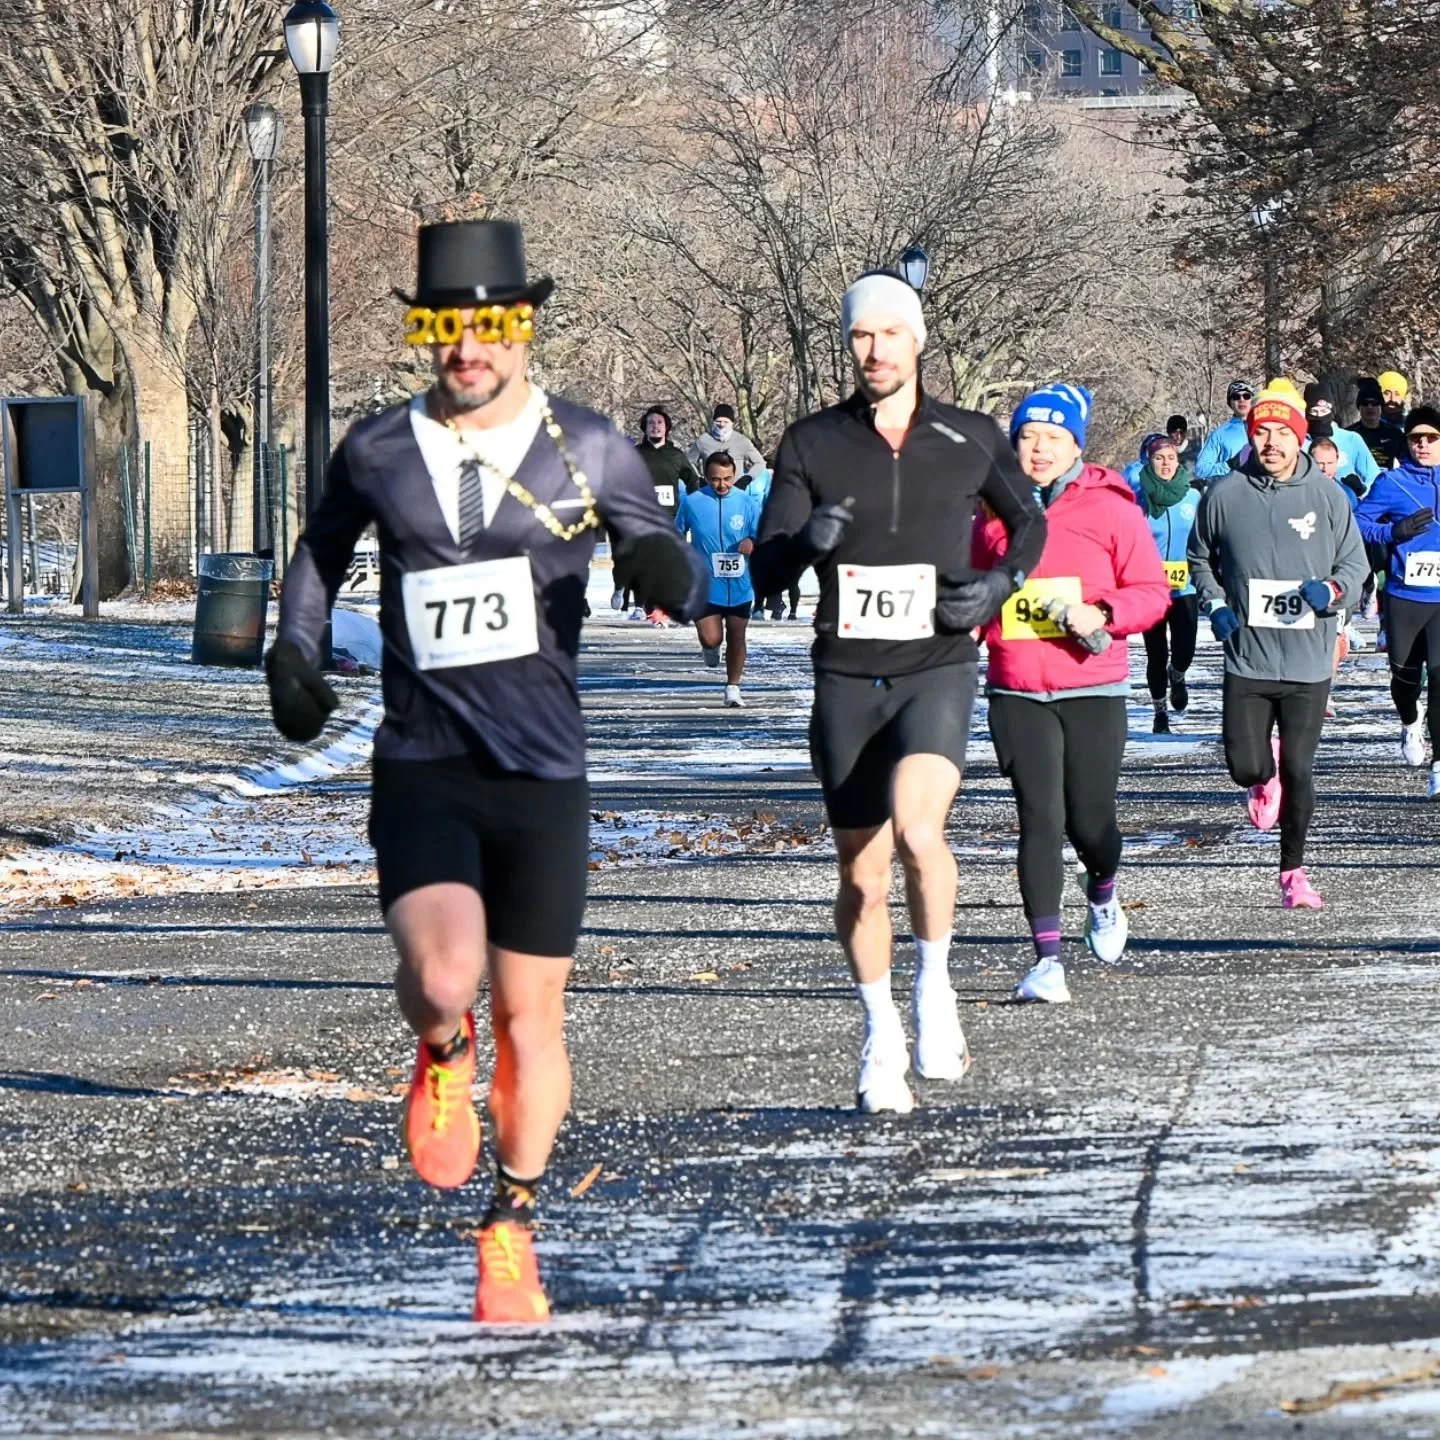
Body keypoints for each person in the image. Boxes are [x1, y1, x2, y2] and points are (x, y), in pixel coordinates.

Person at [265, 220, 705, 1323]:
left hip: (543, 776)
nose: (468, 347)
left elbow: (676, 569)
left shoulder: (589, 447)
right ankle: (438, 1048)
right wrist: (294, 651)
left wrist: (661, 563)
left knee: (534, 1019)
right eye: (447, 326)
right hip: (423, 760)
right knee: (449, 981)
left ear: (522, 330)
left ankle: (511, 1223)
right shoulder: (376, 448)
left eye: (490, 326)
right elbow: (319, 553)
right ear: (426, 333)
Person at [753, 269, 1046, 1112]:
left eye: (888, 334)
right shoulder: (811, 442)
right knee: (861, 874)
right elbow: (767, 566)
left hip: (936, 665)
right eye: (858, 336)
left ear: (917, 339)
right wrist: (808, 539)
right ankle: (880, 1029)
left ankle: (935, 986)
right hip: (846, 676)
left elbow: (1028, 520)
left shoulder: (969, 435)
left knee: (921, 832)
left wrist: (998, 587)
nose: (873, 350)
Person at [976, 385, 1169, 1003]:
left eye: (1054, 438)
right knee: (1040, 817)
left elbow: (1151, 591)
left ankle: (1105, 891)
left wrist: (1102, 611)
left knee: (1090, 822)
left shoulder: (1113, 507)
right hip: (1017, 686)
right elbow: (970, 590)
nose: (1038, 449)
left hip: (1093, 684)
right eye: (1028, 436)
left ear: (1077, 447)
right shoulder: (988, 509)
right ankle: (1046, 959)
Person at [1187, 381, 1367, 909]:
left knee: (1301, 769)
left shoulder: (1327, 496)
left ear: (1299, 438)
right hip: (1248, 652)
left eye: (1281, 432)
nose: (1271, 442)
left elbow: (1354, 566)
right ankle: (1259, 778)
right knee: (1245, 764)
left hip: (1309, 660)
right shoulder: (1225, 495)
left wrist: (1331, 590)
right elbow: (1200, 559)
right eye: (1261, 431)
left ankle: (1294, 873)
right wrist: (1215, 603)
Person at [1356, 405, 1440, 794]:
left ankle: (1439, 764)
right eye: (1415, 438)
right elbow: (1358, 523)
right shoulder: (1393, 483)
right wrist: (1395, 531)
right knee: (1405, 678)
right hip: (1405, 595)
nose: (1422, 445)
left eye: (1431, 438)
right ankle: (1410, 722)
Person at [675, 450, 762, 707]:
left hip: (740, 583)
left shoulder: (748, 503)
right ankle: (710, 647)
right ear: (705, 475)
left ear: (734, 474)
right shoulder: (692, 502)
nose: (721, 485)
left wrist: (751, 541)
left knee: (737, 634)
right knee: (711, 638)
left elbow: (764, 535)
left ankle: (733, 688)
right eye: (715, 479)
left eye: (726, 478)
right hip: (705, 584)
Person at [1136, 436, 1201, 734]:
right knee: (1156, 653)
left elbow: (1205, 538)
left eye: (1170, 458)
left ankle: (1178, 675)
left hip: (1184, 586)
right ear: (1148, 461)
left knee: (1184, 649)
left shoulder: (1193, 497)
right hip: (1149, 587)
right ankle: (1159, 711)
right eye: (1159, 458)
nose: (1165, 464)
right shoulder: (1138, 498)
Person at [631, 407, 697, 626]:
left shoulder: (676, 455)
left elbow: (692, 480)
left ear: (667, 427)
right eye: (651, 423)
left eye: (659, 422)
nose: (655, 426)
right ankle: (647, 607)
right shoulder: (636, 454)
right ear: (644, 428)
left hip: (671, 516)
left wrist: (694, 504)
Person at [1303, 382, 1380, 491]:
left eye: (1324, 411)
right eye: (1314, 411)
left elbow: (1374, 478)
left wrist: (1362, 491)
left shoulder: (1351, 439)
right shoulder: (1299, 442)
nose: (1319, 416)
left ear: (1332, 412)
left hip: (1347, 502)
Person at [1195, 380, 1256, 482]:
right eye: (1236, 397)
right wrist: (1229, 465)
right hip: (1234, 491)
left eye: (1246, 396)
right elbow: (1200, 470)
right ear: (1230, 403)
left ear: (1252, 400)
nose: (1241, 400)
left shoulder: (1265, 429)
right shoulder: (1219, 434)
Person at [687, 402, 765, 477]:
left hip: (736, 488)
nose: (722, 425)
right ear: (713, 422)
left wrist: (748, 478)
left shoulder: (742, 440)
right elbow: (688, 462)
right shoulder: (703, 440)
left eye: (726, 422)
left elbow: (760, 463)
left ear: (732, 423)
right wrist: (698, 479)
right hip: (710, 488)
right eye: (718, 421)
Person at [1352, 378, 1406, 471]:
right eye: (1365, 403)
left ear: (1381, 407)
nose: (1370, 407)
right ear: (1359, 407)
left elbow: (1406, 462)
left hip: (1385, 480)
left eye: (1374, 403)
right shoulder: (1349, 434)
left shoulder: (1394, 434)